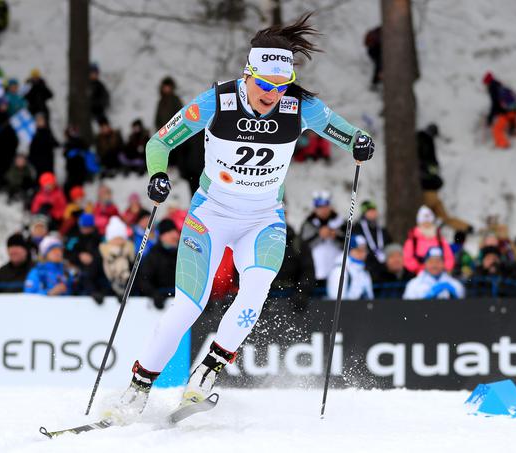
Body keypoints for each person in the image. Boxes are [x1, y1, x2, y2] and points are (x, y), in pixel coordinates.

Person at [111, 15, 376, 419]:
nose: (272, 94)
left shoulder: (299, 106)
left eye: (281, 85)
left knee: (254, 292)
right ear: (248, 74)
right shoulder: (217, 101)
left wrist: (359, 142)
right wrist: (157, 175)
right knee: (187, 306)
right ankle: (138, 387)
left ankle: (206, 374)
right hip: (211, 216)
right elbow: (159, 142)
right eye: (265, 84)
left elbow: (344, 133)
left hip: (263, 219)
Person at [416, 124, 471, 232]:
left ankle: (465, 227)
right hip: (428, 187)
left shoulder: (423, 140)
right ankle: (465, 227)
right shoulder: (424, 141)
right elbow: (429, 162)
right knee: (438, 215)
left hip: (429, 188)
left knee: (440, 215)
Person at [300, 191, 345, 287]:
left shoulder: (340, 222)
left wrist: (336, 236)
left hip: (337, 270)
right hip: (315, 271)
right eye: (320, 207)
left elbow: (349, 244)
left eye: (326, 206)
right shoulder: (308, 223)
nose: (323, 210)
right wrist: (319, 235)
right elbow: (303, 245)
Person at [136, 219, 180, 308]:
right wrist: (155, 294)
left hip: (181, 302)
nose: (174, 235)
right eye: (169, 232)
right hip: (161, 302)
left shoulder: (184, 254)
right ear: (161, 236)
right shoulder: (153, 255)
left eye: (175, 232)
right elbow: (143, 280)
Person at [273, 219, 315, 310]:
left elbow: (307, 271)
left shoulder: (298, 243)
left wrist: (301, 292)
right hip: (265, 296)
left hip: (292, 295)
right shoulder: (258, 242)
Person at [403, 205, 454, 274]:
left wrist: (443, 268)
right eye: (424, 223)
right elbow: (407, 259)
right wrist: (420, 269)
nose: (426, 225)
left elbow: (449, 257)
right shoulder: (412, 241)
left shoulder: (440, 240)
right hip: (420, 275)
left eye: (429, 223)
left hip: (440, 274)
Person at [66, 213, 105, 302]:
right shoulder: (74, 238)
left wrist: (93, 259)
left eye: (88, 227)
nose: (85, 230)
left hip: (96, 272)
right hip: (78, 271)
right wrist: (79, 256)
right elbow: (67, 253)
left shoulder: (99, 239)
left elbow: (104, 254)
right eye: (83, 227)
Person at [326, 235, 374, 300]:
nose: (363, 254)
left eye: (364, 250)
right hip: (348, 309)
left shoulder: (364, 270)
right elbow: (336, 301)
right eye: (359, 250)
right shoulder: (340, 270)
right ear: (349, 251)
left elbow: (370, 297)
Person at [483, 72, 516, 149]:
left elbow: (494, 105)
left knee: (497, 129)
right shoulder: (499, 85)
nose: (485, 86)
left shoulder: (493, 89)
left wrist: (490, 118)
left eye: (485, 84)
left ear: (487, 82)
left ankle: (503, 144)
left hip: (507, 111)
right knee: (512, 121)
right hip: (515, 107)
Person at [352, 199, 392, 276]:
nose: (373, 213)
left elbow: (389, 244)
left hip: (383, 267)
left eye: (374, 210)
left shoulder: (381, 229)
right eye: (369, 211)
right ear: (364, 213)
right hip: (366, 267)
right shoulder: (357, 228)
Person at [99, 216, 134, 296]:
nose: (118, 241)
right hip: (107, 295)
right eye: (115, 238)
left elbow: (135, 275)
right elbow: (97, 277)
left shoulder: (129, 253)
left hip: (129, 294)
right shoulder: (103, 254)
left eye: (121, 238)